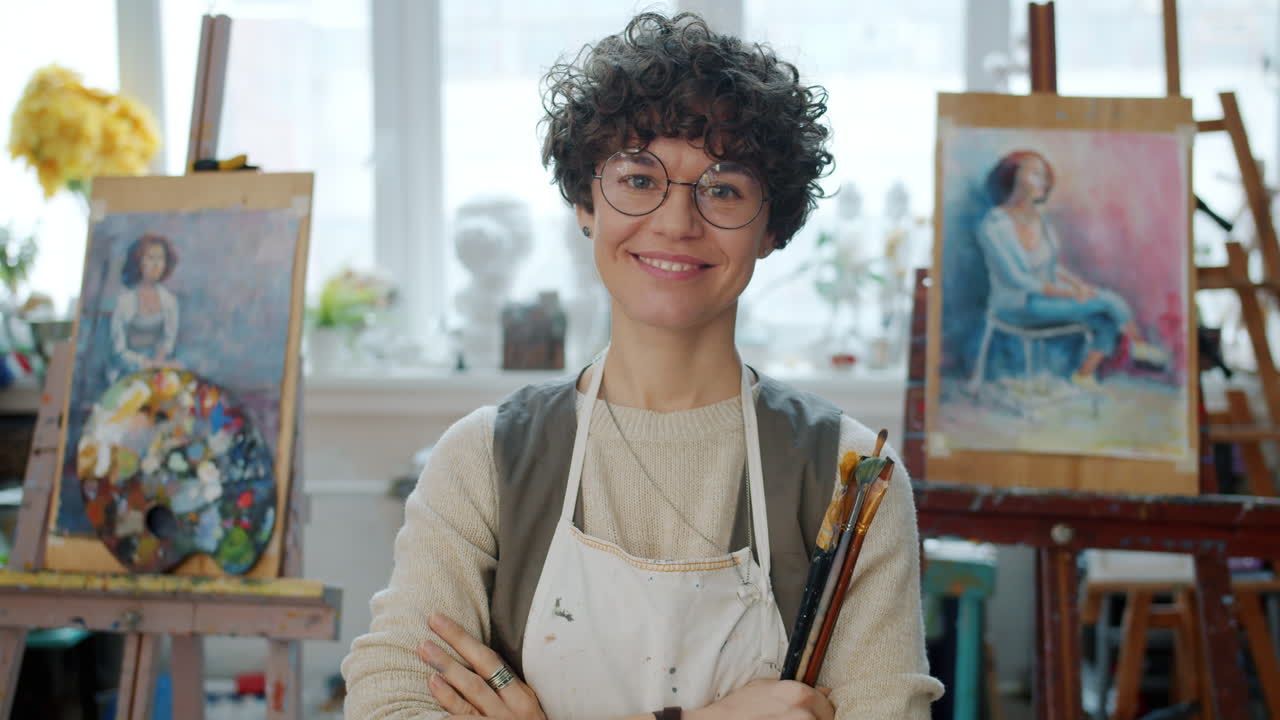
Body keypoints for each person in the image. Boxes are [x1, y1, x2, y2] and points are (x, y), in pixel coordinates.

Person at [342, 12, 943, 720]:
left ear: (772, 226)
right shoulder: (485, 458)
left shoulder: (851, 478)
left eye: (723, 189)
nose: (676, 223)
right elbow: (389, 702)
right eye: (637, 178)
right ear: (584, 202)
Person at [975, 150, 1169, 390]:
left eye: (1045, 176)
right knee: (1106, 301)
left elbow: (1051, 265)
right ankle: (1138, 344)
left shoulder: (1039, 220)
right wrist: (1068, 294)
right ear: (1012, 176)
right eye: (1035, 174)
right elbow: (1017, 279)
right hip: (1016, 306)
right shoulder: (994, 226)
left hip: (1046, 300)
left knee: (1103, 317)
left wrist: (1078, 286)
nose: (1043, 182)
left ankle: (1084, 374)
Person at [109, 233, 180, 382]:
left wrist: (158, 362)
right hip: (127, 372)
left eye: (161, 258)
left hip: (157, 371)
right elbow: (118, 351)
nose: (156, 264)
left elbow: (168, 340)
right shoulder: (124, 302)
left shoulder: (170, 301)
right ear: (138, 261)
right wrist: (145, 364)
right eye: (150, 258)